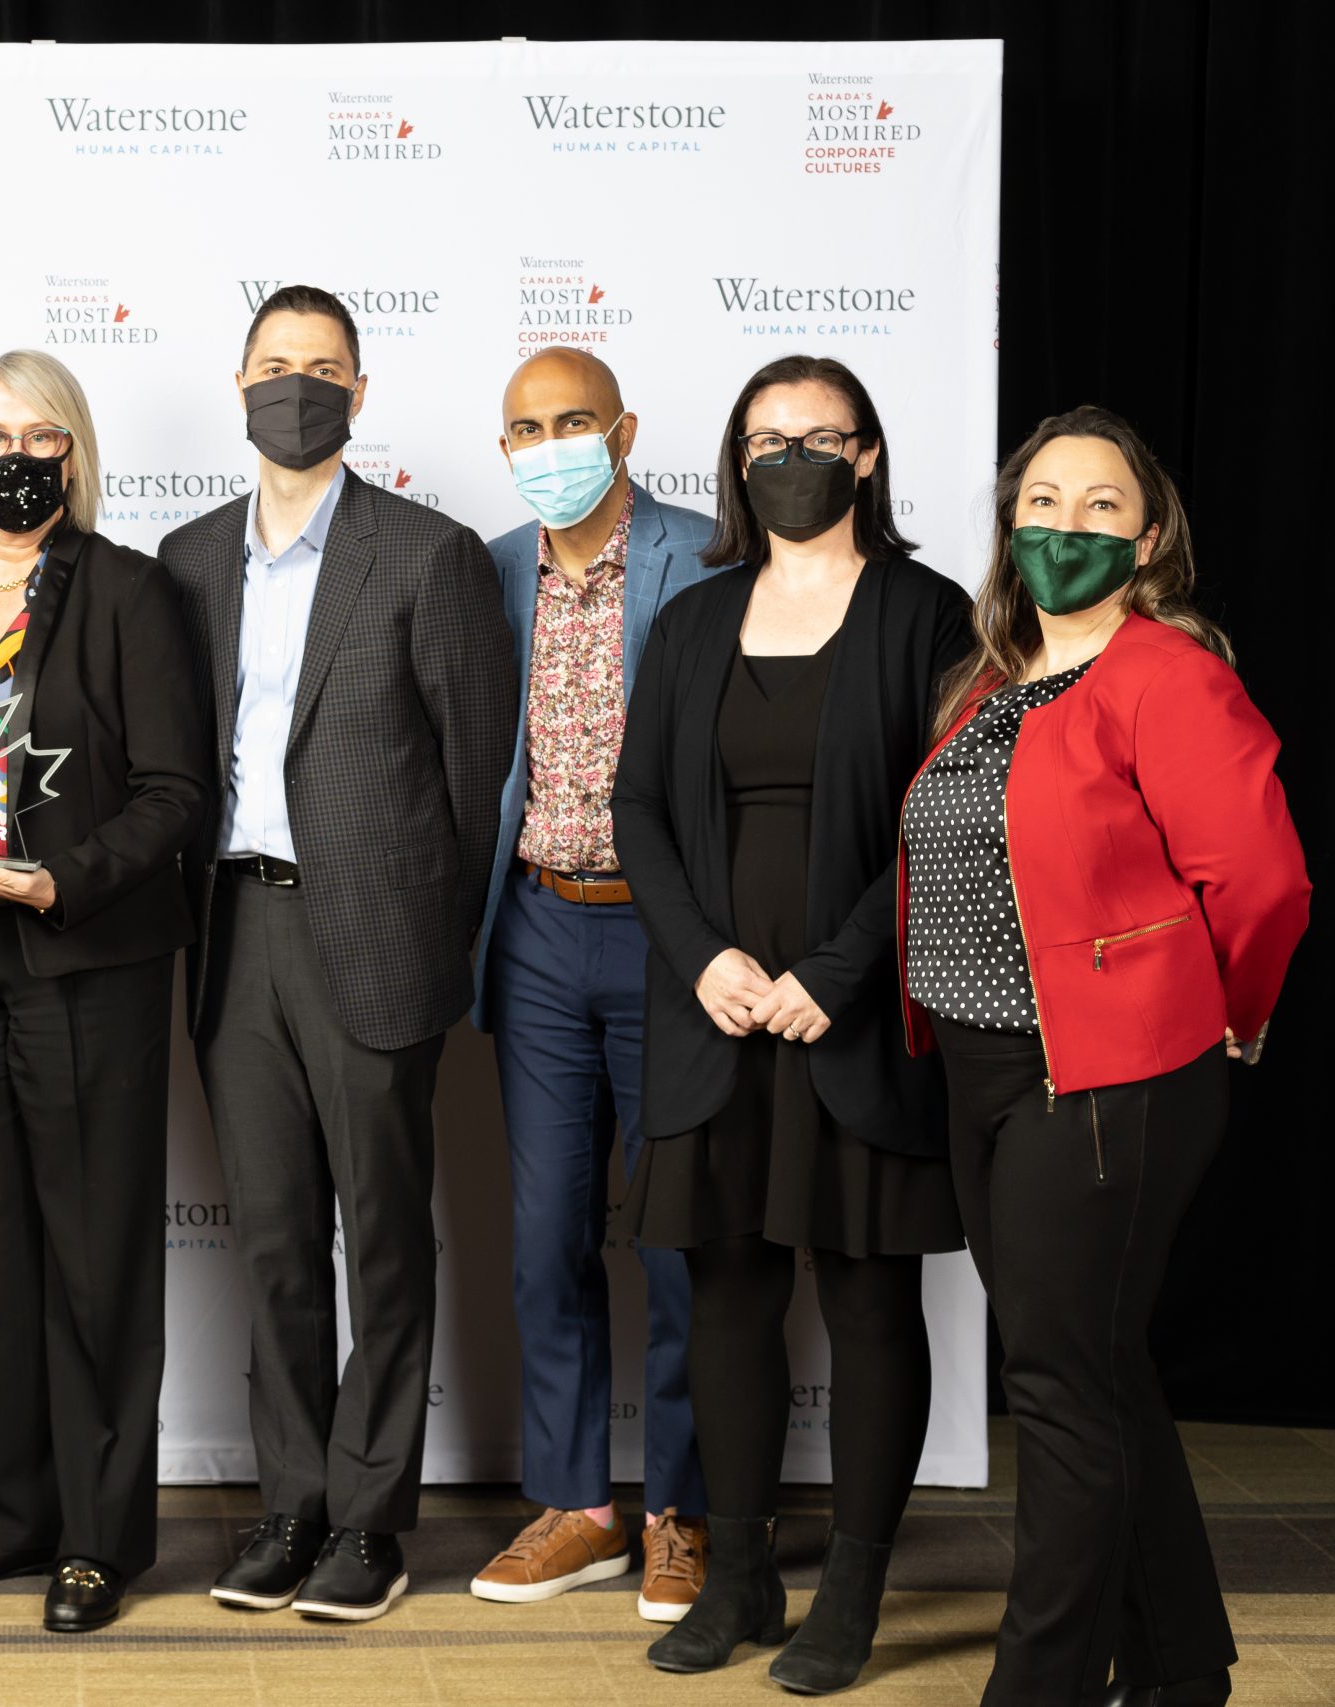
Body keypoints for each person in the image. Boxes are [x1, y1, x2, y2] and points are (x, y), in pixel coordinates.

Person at [901, 407, 1307, 1707]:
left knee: (1061, 1392)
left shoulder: (1168, 673)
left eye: (1101, 505)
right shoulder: (989, 683)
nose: (1066, 524)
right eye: (1044, 499)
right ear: (1012, 521)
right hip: (980, 1064)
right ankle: (1183, 1660)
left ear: (1149, 536)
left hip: (1105, 1073)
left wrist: (1227, 1011)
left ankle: (1040, 1688)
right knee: (1098, 1368)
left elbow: (1259, 877)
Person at [609, 354, 971, 1688]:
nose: (794, 458)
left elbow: (946, 819)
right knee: (728, 1299)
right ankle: (745, 1573)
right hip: (714, 1015)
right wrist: (702, 954)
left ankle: (855, 1592)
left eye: (821, 436)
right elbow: (636, 805)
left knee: (873, 1303)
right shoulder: (695, 619)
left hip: (854, 1019)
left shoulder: (929, 616)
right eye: (770, 438)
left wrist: (837, 968)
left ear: (868, 457)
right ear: (736, 457)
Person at [161, 285, 515, 1623]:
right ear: (237, 382)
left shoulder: (427, 555)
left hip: (373, 940)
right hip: (232, 927)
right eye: (272, 363)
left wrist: (439, 942)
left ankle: (370, 1520)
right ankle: (288, 1503)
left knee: (382, 1239)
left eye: (321, 367)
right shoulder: (187, 560)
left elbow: (480, 776)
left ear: (360, 394)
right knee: (269, 1241)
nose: (295, 385)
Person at [0, 351, 209, 1636]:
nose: (13, 453)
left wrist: (59, 881)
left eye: (38, 433)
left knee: (95, 1256)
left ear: (74, 451)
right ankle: (2, 1519)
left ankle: (99, 1538)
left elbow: (177, 794)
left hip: (82, 965)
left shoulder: (130, 595)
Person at [466, 348, 718, 1623]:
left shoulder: (708, 557)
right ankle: (579, 1504)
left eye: (572, 420)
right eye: (524, 427)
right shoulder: (492, 571)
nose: (548, 442)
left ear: (624, 429)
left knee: (679, 1237)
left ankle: (683, 1510)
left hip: (669, 944)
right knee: (545, 1234)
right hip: (535, 932)